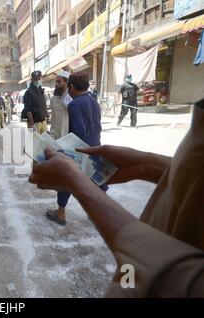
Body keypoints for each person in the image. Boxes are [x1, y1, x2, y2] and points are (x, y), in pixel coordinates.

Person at [29, 96, 204, 297]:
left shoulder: (76, 104)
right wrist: (144, 165)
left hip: (149, 272)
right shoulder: (91, 101)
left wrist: (76, 182)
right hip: (149, 248)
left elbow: (184, 283)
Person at [46, 72, 108, 226]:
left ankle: (61, 213)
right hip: (96, 146)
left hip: (80, 149)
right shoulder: (94, 101)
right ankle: (97, 213)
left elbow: (78, 130)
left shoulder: (74, 104)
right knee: (97, 182)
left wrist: (64, 148)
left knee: (65, 178)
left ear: (71, 87)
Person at [49, 70, 72, 139]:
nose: (56, 84)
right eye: (56, 81)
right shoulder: (53, 98)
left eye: (59, 82)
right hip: (54, 133)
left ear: (66, 82)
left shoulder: (70, 97)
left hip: (66, 134)